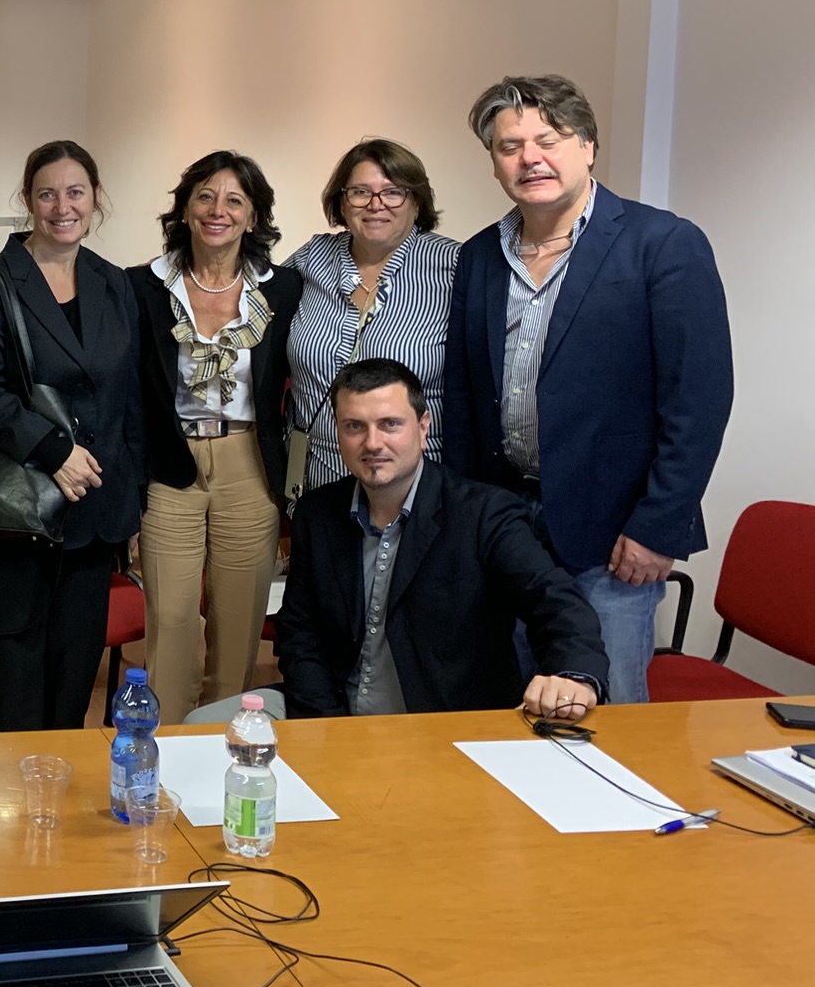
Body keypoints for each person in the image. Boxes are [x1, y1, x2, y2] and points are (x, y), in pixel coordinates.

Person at [444, 75, 733, 704]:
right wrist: (466, 515)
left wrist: (660, 525)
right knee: (509, 703)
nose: (530, 158)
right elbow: (464, 398)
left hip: (616, 535)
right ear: (494, 163)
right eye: (509, 146)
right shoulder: (477, 259)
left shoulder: (661, 245)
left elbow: (699, 399)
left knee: (606, 715)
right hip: (506, 523)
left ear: (588, 146)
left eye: (547, 139)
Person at [278, 359, 608, 718]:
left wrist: (573, 675)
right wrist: (327, 729)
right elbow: (300, 634)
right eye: (354, 426)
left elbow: (556, 602)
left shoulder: (483, 514)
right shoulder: (317, 514)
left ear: (423, 428)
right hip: (335, 720)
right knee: (214, 731)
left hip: (442, 732)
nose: (373, 443)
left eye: (390, 424)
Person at [0, 141, 144, 731]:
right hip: (21, 503)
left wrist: (129, 501)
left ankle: (58, 797)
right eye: (48, 193)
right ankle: (6, 805)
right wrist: (55, 452)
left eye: (76, 192)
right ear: (28, 201)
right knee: (16, 667)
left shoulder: (114, 283)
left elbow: (127, 396)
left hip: (94, 509)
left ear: (96, 199)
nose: (63, 206)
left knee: (73, 668)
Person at [130, 151, 302, 725]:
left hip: (249, 462)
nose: (217, 210)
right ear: (185, 208)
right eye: (205, 196)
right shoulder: (141, 288)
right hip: (169, 461)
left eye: (234, 200)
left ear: (253, 216)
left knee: (238, 625)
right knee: (173, 622)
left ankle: (223, 751)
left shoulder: (285, 291)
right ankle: (166, 750)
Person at [284, 140, 459, 492]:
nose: (376, 204)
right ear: (342, 203)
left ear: (417, 201)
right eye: (360, 192)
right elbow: (244, 288)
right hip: (319, 477)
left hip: (418, 483)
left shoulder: (455, 267)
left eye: (393, 192)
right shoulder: (312, 258)